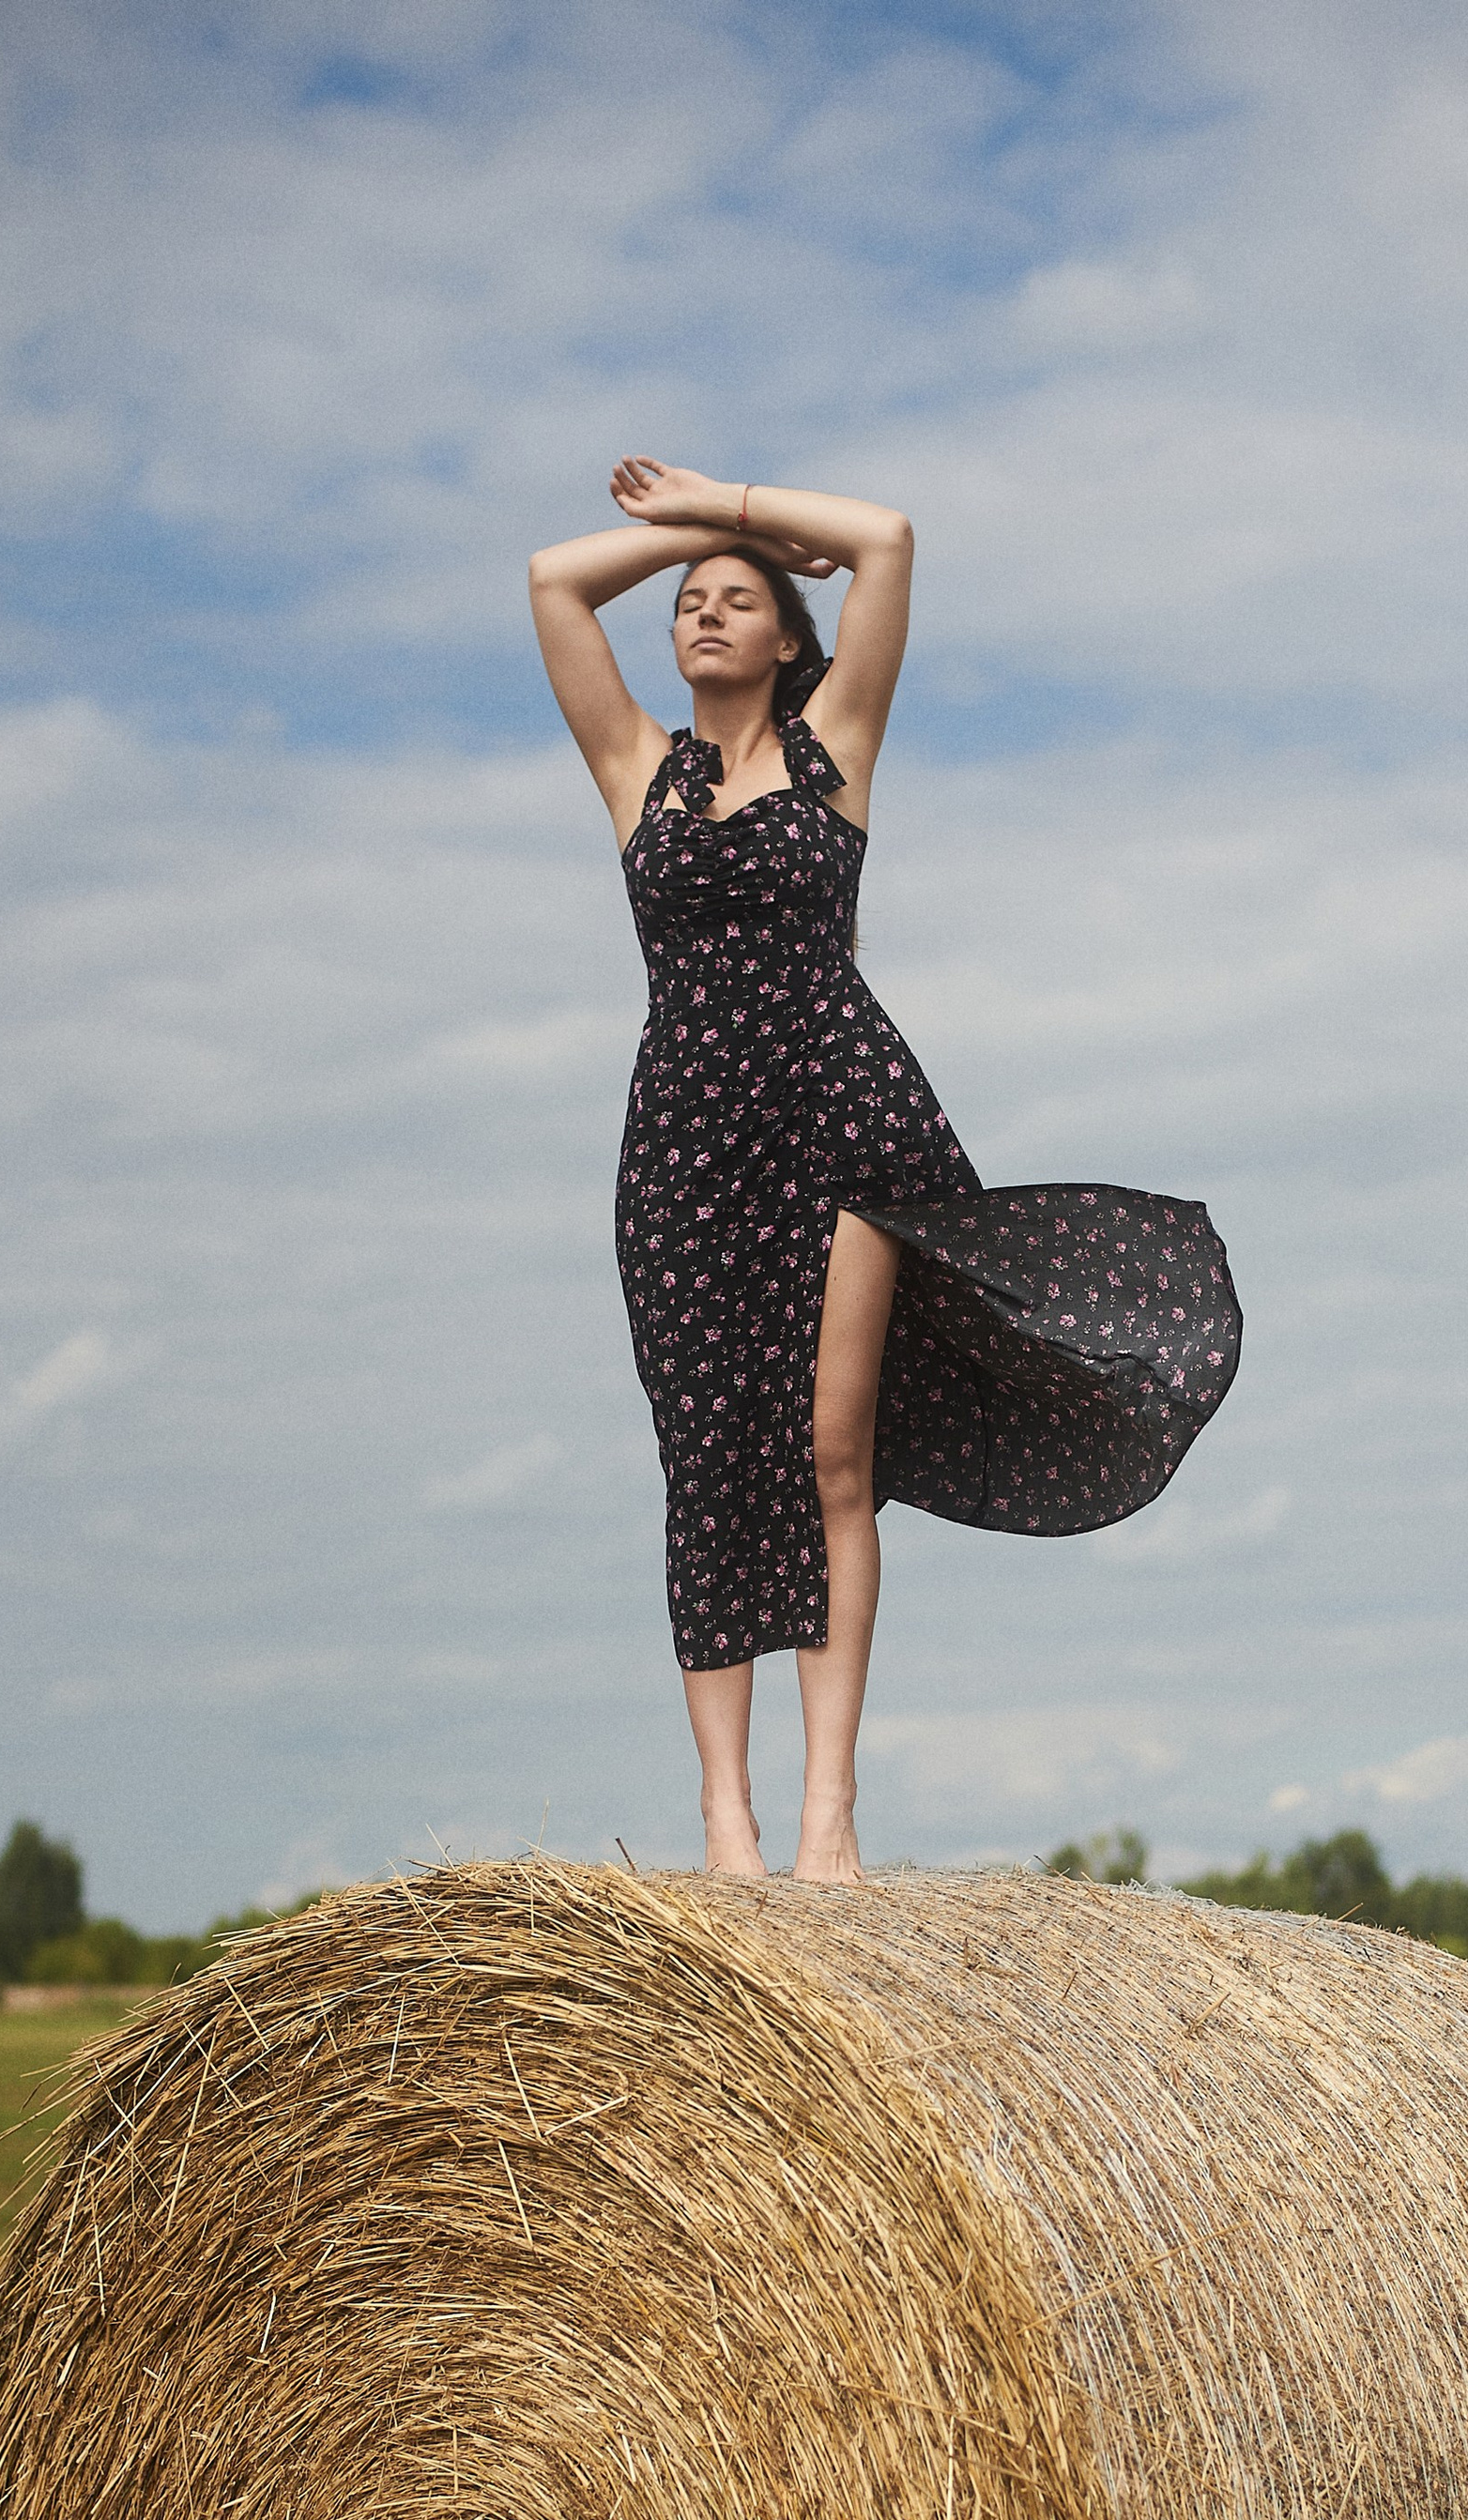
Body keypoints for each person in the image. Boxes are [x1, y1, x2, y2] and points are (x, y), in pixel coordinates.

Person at [528, 460, 1240, 1883]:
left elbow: (888, 538)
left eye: (741, 599)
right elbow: (554, 580)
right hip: (680, 1141)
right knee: (708, 1456)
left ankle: (826, 1813)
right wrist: (713, 537)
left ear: (794, 638)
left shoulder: (836, 742)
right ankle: (726, 1819)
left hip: (840, 1121)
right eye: (689, 604)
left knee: (828, 1452)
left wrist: (731, 502)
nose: (709, 612)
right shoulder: (635, 769)